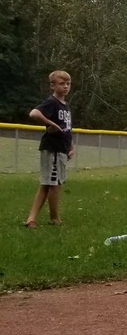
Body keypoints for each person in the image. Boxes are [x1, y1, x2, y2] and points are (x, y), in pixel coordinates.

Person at [24, 71, 74, 227]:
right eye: (61, 83)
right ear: (52, 85)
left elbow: (67, 129)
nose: (65, 86)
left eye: (68, 83)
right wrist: (50, 124)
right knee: (54, 183)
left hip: (62, 149)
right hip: (52, 148)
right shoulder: (52, 102)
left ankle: (31, 218)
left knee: (47, 184)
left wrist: (71, 147)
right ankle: (54, 218)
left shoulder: (65, 106)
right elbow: (34, 113)